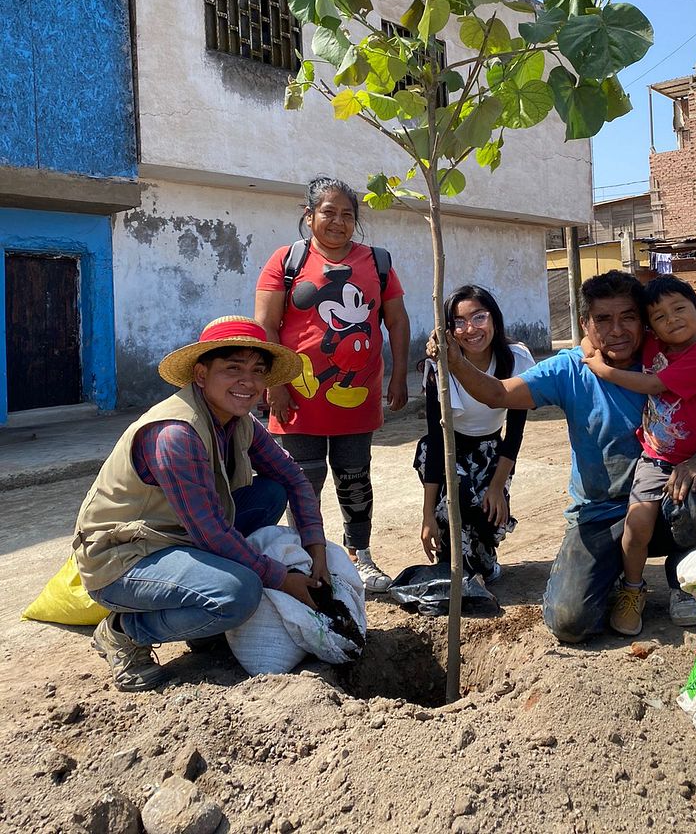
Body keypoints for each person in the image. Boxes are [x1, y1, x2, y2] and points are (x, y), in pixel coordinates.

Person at [431, 269, 696, 642]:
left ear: (644, 322)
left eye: (628, 317)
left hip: (666, 502)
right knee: (569, 622)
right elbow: (499, 394)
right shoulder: (571, 368)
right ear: (586, 324)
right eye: (603, 319)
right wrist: (455, 362)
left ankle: (685, 577)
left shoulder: (664, 358)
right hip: (598, 514)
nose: (617, 330)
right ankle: (616, 577)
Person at [73, 316, 328, 692]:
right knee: (239, 593)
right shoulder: (176, 434)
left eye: (258, 371)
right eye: (233, 369)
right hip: (125, 558)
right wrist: (281, 577)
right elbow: (210, 531)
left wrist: (315, 547)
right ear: (200, 374)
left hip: (180, 537)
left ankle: (203, 618)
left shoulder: (238, 420)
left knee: (271, 490)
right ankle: (124, 632)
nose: (248, 382)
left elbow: (292, 476)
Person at [583, 275, 696, 636]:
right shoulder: (654, 342)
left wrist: (604, 369)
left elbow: (654, 384)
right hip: (655, 460)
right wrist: (590, 348)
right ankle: (633, 589)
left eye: (679, 309)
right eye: (659, 317)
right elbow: (603, 332)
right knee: (637, 527)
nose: (671, 320)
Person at [254, 175, 411, 593]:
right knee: (303, 482)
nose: (338, 221)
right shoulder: (286, 261)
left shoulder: (377, 261)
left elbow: (396, 320)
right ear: (309, 217)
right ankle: (308, 557)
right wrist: (277, 384)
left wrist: (398, 374)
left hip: (356, 398)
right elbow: (266, 325)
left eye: (347, 214)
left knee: (355, 477)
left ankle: (360, 556)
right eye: (328, 212)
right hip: (298, 401)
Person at [415, 285, 535, 582]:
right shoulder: (439, 368)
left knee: (487, 514)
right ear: (448, 330)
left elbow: (514, 435)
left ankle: (482, 558)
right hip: (446, 450)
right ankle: (453, 562)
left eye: (479, 317)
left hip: (491, 452)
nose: (470, 329)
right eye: (458, 322)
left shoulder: (515, 360)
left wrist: (496, 487)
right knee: (454, 505)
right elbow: (436, 437)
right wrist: (427, 514)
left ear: (494, 318)